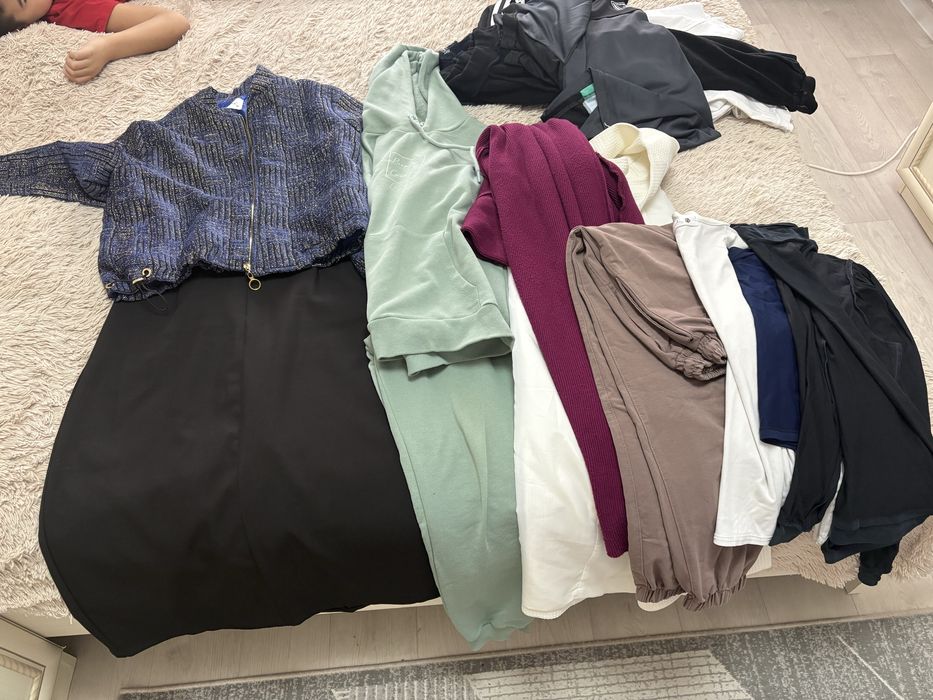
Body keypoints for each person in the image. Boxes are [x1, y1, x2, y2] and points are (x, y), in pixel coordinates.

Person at [0, 0, 189, 84]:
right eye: (24, 0)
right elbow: (174, 23)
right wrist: (108, 47)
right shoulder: (73, 7)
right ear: (25, 24)